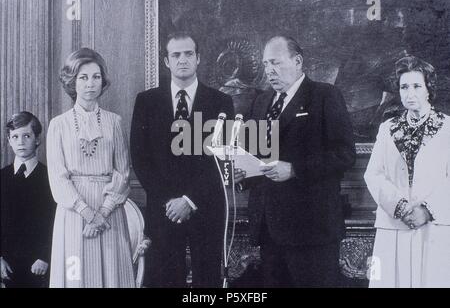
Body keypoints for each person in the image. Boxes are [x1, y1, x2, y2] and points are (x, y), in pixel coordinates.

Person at [234, 36, 356, 287]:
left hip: (312, 231)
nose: (269, 70)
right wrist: (242, 174)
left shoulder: (324, 95)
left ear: (298, 61)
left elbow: (344, 154)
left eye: (276, 63)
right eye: (266, 64)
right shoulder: (261, 102)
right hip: (269, 228)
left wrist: (294, 169)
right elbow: (258, 156)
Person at [130, 32, 234, 287]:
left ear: (198, 58)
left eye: (188, 54)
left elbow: (222, 159)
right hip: (163, 210)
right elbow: (140, 158)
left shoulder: (221, 102)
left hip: (206, 208)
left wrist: (189, 200)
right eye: (176, 55)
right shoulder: (147, 102)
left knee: (207, 281)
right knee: (164, 279)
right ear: (166, 61)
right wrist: (171, 201)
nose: (182, 60)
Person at [47, 48, 135, 288]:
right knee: (75, 275)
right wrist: (88, 214)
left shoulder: (114, 121)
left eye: (96, 77)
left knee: (111, 274)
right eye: (83, 77)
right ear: (72, 81)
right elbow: (58, 177)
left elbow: (123, 173)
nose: (90, 84)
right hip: (74, 213)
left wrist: (102, 214)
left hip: (110, 212)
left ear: (102, 81)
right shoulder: (58, 125)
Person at [364, 56, 450, 288]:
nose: (409, 93)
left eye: (416, 86)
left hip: (434, 226)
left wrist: (427, 210)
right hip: (394, 224)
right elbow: (373, 174)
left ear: (428, 89)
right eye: (404, 87)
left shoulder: (447, 128)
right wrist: (400, 207)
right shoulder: (388, 128)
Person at [1, 112, 56, 288]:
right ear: (9, 140)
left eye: (26, 136)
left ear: (37, 139)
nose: (21, 142)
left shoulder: (50, 178)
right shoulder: (2, 177)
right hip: (7, 265)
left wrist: (44, 256)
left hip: (39, 265)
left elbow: (54, 222)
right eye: (15, 136)